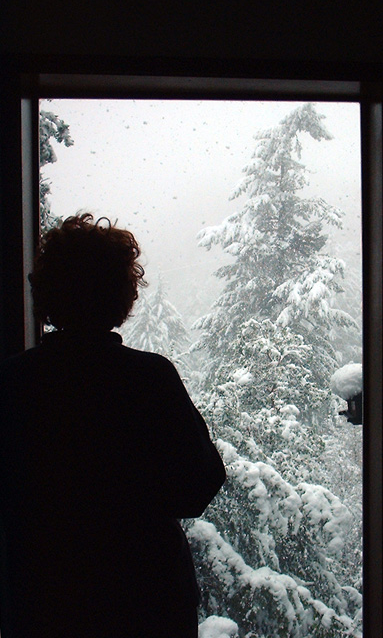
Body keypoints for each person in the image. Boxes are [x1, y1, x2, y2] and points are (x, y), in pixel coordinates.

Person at [0, 213, 226, 638]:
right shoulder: (151, 378)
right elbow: (200, 483)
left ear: (46, 293)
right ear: (122, 295)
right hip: (148, 600)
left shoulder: (13, 384)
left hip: (44, 601)